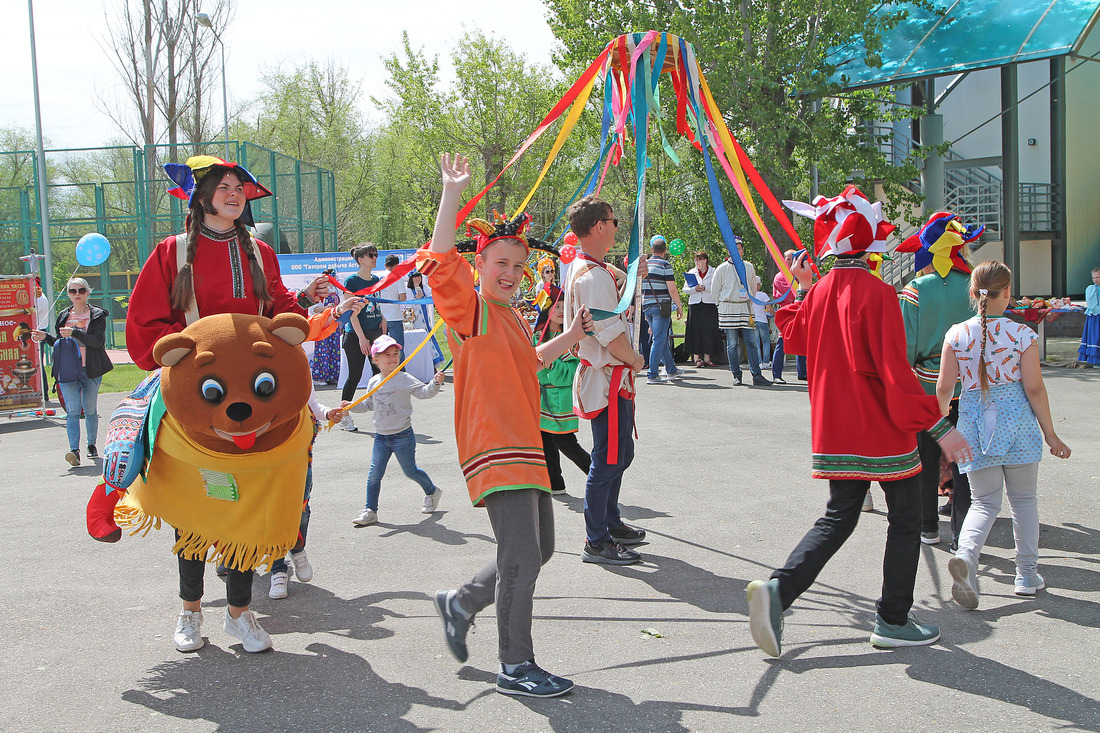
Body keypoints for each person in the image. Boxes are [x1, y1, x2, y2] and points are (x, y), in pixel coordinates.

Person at [124, 154, 351, 653]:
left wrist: (307, 305)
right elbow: (145, 323)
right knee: (188, 505)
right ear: (201, 196)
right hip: (197, 392)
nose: (233, 193)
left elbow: (278, 311)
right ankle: (189, 613)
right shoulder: (172, 251)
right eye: (224, 186)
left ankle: (240, 614)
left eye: (238, 188)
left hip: (254, 390)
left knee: (246, 509)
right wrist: (192, 348)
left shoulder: (259, 251)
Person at [746, 186, 971, 657]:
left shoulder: (823, 289)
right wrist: (940, 426)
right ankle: (892, 618)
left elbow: (794, 337)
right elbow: (895, 372)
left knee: (839, 517)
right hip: (882, 430)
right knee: (907, 518)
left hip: (835, 428)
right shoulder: (879, 292)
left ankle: (778, 591)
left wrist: (806, 287)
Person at [425, 153, 593, 698]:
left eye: (518, 267)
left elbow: (530, 363)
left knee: (539, 548)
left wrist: (570, 336)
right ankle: (516, 666)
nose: (510, 274)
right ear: (480, 266)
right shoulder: (470, 311)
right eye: (500, 264)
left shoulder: (512, 318)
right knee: (522, 554)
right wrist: (453, 194)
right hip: (496, 447)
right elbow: (440, 257)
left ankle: (464, 601)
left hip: (524, 445)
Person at [938, 261, 1071, 609]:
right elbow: (1034, 388)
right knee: (1024, 501)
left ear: (972, 293)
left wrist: (941, 430)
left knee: (984, 503)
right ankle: (1026, 575)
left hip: (972, 425)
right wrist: (1051, 435)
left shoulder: (956, 335)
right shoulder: (1023, 334)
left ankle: (966, 558)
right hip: (1019, 426)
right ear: (1008, 293)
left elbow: (942, 389)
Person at [564, 195, 648, 566]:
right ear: (599, 226)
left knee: (618, 454)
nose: (616, 227)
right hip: (607, 375)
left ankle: (610, 523)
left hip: (611, 376)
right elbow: (609, 332)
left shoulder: (590, 268)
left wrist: (633, 274)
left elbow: (615, 287)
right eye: (613, 221)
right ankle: (596, 538)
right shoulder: (592, 275)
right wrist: (635, 359)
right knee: (609, 458)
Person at [896, 212, 982, 546]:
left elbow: (906, 348)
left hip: (927, 387)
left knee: (926, 460)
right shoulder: (976, 286)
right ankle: (963, 533)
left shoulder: (915, 289)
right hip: (972, 385)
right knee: (963, 461)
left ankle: (928, 526)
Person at [345, 334, 444, 526]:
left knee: (410, 471)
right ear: (376, 360)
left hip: (402, 436)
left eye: (395, 354)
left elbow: (425, 393)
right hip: (381, 437)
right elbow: (367, 405)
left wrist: (436, 383)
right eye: (386, 355)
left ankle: (432, 491)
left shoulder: (404, 378)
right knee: (374, 475)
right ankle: (370, 510)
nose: (392, 358)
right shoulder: (374, 382)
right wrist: (350, 406)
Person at [268, 392, 345, 599]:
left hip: (300, 459)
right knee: (274, 513)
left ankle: (298, 548)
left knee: (301, 510)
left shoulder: (298, 369)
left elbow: (313, 405)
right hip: (269, 461)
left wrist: (329, 413)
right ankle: (277, 569)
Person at [31, 277, 113, 466]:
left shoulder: (97, 315)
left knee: (90, 410)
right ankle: (74, 451)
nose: (77, 294)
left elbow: (97, 342)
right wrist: (46, 337)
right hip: (68, 371)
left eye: (81, 291)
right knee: (73, 412)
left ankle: (91, 444)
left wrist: (74, 332)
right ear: (68, 294)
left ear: (88, 292)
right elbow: (60, 343)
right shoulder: (63, 315)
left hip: (91, 369)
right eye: (73, 291)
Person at [533, 285, 591, 496]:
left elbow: (568, 372)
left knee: (565, 442)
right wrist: (549, 366)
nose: (559, 310)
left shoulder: (573, 338)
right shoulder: (538, 336)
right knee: (545, 441)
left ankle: (598, 475)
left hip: (562, 397)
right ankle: (555, 483)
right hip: (541, 398)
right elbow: (534, 369)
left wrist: (548, 364)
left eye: (563, 306)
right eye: (555, 306)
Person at [339, 244, 385, 431]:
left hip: (376, 333)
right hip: (356, 335)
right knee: (355, 376)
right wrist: (361, 338)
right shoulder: (352, 281)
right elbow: (351, 313)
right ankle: (344, 415)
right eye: (370, 255)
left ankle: (382, 414)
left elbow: (376, 304)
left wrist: (383, 320)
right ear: (360, 260)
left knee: (379, 375)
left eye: (375, 254)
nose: (375, 258)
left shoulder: (376, 279)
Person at [712, 237, 769, 386]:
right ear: (729, 251)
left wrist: (748, 299)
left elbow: (752, 287)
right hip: (728, 308)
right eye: (733, 249)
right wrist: (721, 305)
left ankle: (757, 375)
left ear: (742, 250)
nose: (736, 251)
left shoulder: (749, 267)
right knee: (732, 344)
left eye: (739, 248)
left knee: (752, 342)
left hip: (745, 307)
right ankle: (736, 374)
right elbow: (715, 290)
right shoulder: (722, 268)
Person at [640, 236, 683, 384]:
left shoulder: (644, 265)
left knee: (661, 339)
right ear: (665, 250)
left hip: (646, 305)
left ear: (652, 250)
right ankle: (652, 374)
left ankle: (671, 369)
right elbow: (672, 289)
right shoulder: (665, 265)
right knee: (658, 340)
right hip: (660, 307)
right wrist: (679, 305)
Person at [771, 249, 806, 384]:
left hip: (800, 312)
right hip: (786, 315)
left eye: (794, 258)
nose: (791, 261)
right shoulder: (780, 277)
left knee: (801, 342)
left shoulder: (800, 275)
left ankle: (802, 373)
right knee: (782, 344)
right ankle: (777, 375)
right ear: (784, 260)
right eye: (788, 259)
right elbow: (794, 294)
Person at [682, 251, 721, 367]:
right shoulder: (692, 272)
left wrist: (706, 288)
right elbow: (685, 289)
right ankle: (696, 358)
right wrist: (695, 289)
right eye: (695, 260)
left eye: (699, 260)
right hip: (695, 304)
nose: (697, 262)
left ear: (705, 260)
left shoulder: (714, 272)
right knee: (695, 330)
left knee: (708, 331)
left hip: (709, 304)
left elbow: (718, 287)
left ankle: (708, 357)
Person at [309, 269, 343, 386]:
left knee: (334, 349)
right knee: (323, 349)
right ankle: (320, 377)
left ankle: (333, 375)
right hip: (323, 323)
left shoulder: (335, 291)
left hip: (334, 324)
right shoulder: (320, 292)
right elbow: (314, 309)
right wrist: (327, 308)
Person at [379, 253, 409, 348]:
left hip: (380, 317)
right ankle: (400, 363)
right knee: (398, 349)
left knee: (381, 349)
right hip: (394, 317)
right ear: (398, 265)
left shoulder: (378, 277)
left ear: (385, 265)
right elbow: (402, 298)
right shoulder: (397, 277)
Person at [1077, 266, 1100, 366]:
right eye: (1094, 277)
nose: (1095, 280)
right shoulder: (1090, 289)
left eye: (1098, 277)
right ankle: (1096, 360)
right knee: (1095, 337)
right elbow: (1091, 304)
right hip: (1095, 316)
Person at [751, 275, 772, 370]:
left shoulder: (749, 295)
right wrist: (776, 315)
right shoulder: (763, 295)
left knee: (756, 342)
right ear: (759, 285)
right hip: (763, 320)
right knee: (766, 341)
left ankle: (759, 362)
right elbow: (769, 309)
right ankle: (766, 362)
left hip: (753, 321)